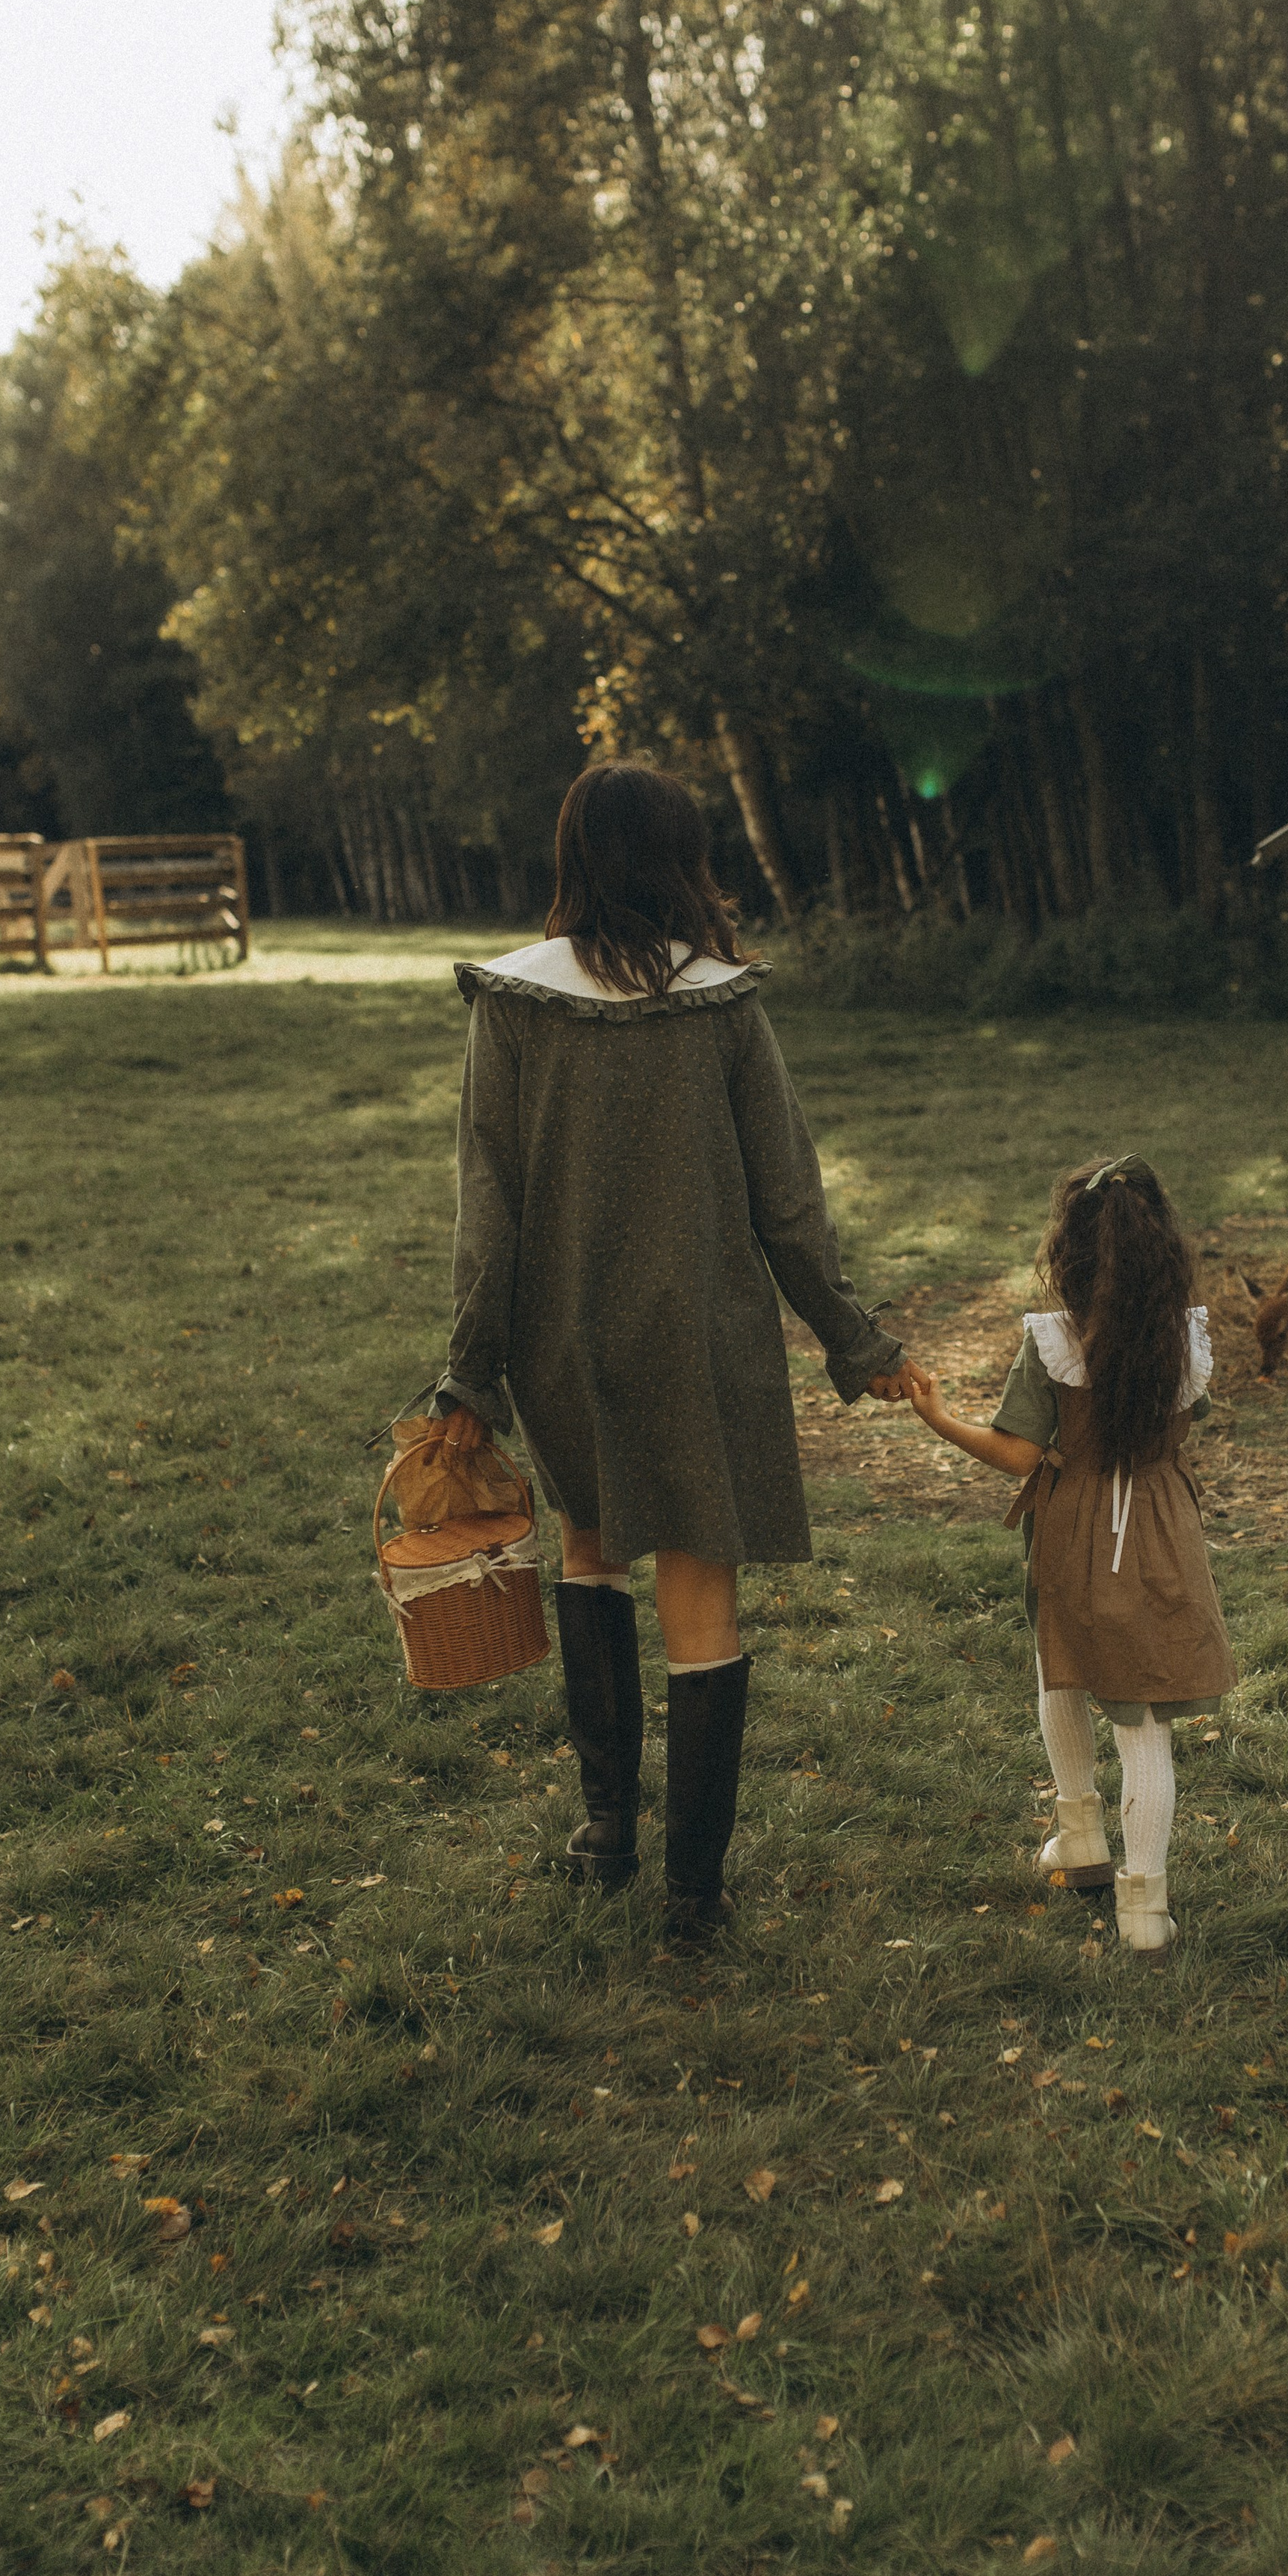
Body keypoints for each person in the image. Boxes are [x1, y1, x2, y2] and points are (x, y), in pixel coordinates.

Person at [437, 762, 905, 1936]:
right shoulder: (723, 1004)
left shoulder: (513, 1000)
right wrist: (853, 1337)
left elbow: (487, 1208)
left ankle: (607, 1836)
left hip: (565, 1335)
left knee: (591, 1551)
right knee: (702, 1603)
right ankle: (692, 1897)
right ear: (683, 858)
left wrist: (471, 1371)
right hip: (702, 1343)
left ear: (572, 855)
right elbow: (788, 1202)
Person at [900, 1155, 1232, 1952]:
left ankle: (1078, 1831)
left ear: (1070, 1253)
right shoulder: (1184, 1338)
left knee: (1063, 1662)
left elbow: (1020, 1453)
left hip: (1073, 1526)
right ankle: (1143, 1909)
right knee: (1144, 1716)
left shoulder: (1053, 1343)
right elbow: (1192, 1418)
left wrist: (940, 1419)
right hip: (1163, 1529)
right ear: (1163, 1251)